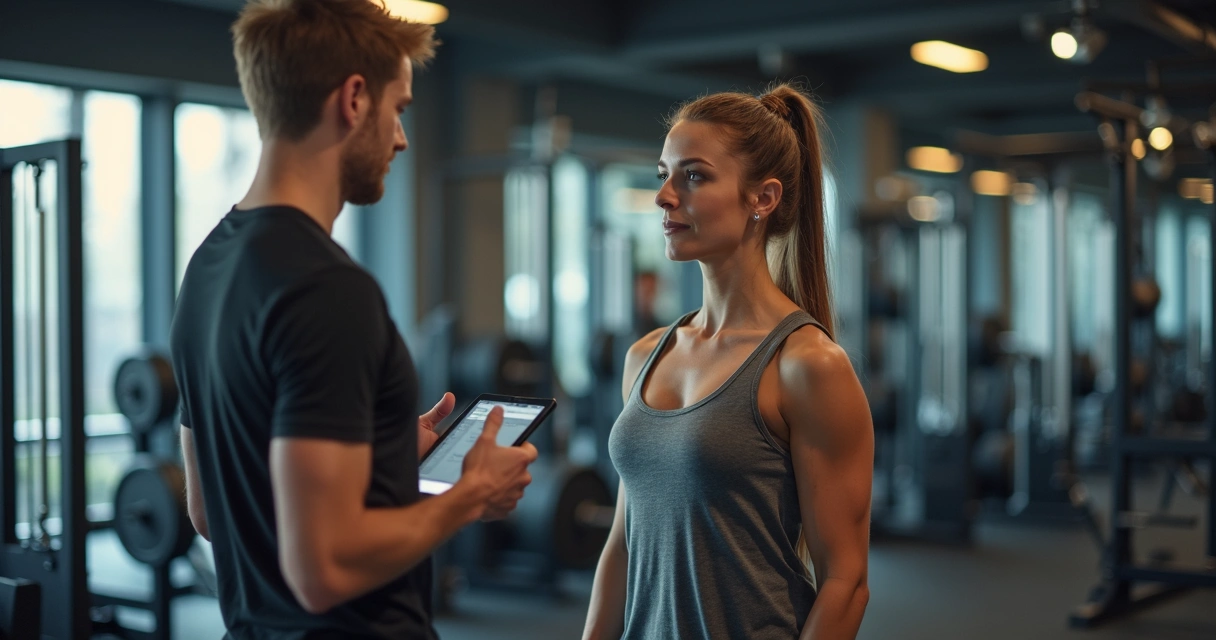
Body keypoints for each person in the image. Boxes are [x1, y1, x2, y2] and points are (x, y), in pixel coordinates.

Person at [169, 1, 537, 638]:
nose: (400, 138)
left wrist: (385, 454)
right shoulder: (328, 289)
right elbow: (325, 570)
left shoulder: (208, 266)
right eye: (400, 110)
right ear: (355, 99)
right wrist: (467, 494)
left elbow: (208, 510)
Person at [582, 84, 874, 639]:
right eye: (663, 173)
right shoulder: (646, 355)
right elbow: (623, 541)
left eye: (693, 175)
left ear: (762, 198)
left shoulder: (807, 364)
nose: (665, 195)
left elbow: (847, 582)